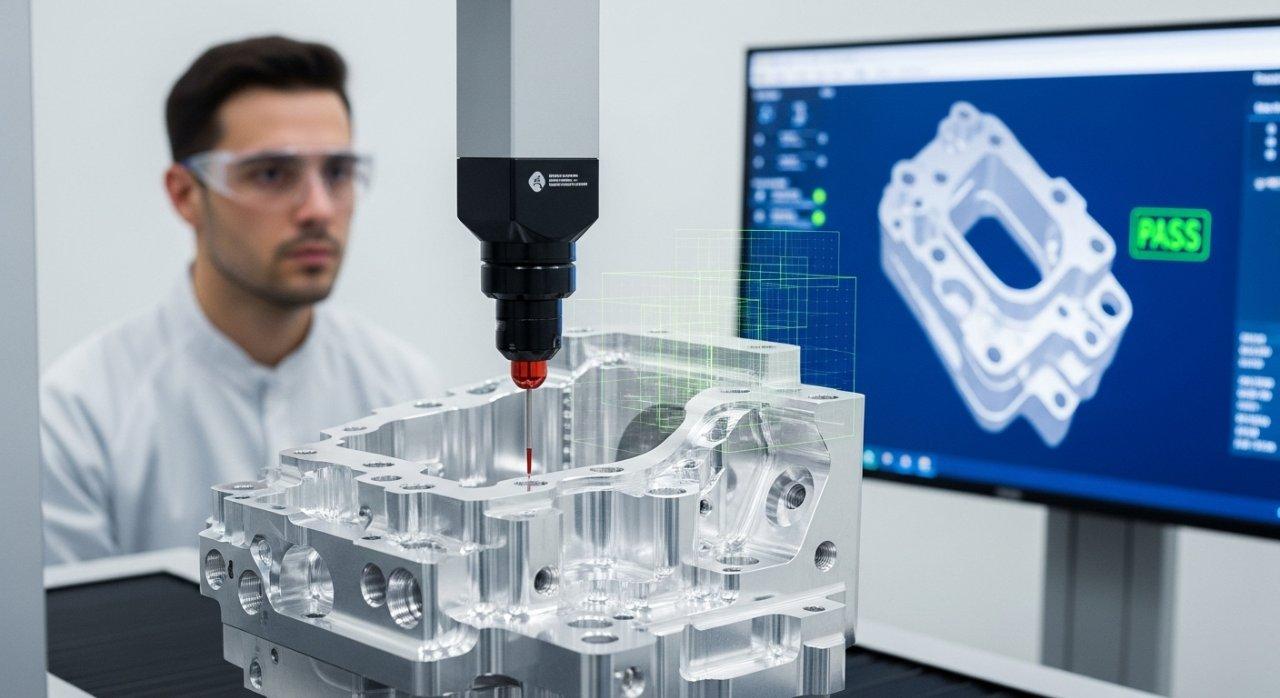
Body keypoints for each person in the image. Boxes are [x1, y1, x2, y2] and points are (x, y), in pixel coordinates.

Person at [41, 36, 442, 564]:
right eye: (272, 174)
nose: (318, 209)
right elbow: (73, 643)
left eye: (338, 173)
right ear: (185, 194)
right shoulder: (79, 419)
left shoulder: (405, 394)